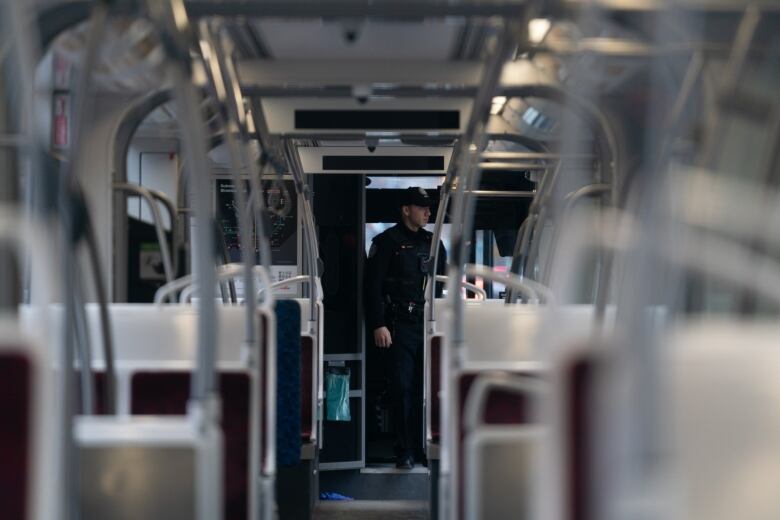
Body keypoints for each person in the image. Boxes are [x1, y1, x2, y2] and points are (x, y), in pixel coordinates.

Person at [365, 186, 446, 469]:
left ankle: (429, 447)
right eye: (421, 207)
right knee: (402, 387)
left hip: (429, 324)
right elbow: (372, 288)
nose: (428, 212)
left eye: (428, 207)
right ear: (405, 210)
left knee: (430, 387)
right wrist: (378, 324)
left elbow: (442, 286)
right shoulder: (386, 242)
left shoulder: (433, 243)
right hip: (399, 324)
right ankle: (405, 450)